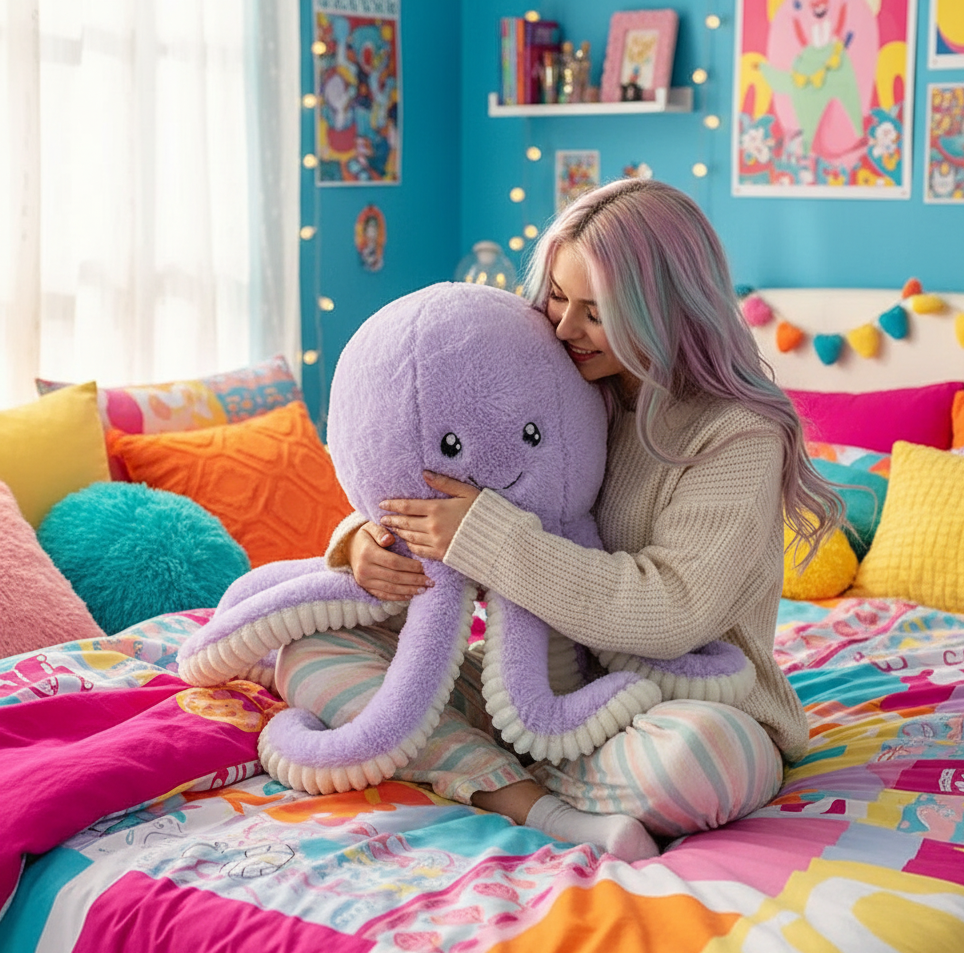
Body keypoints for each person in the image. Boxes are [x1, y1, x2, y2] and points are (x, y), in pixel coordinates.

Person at [281, 178, 843, 862]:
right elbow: (448, 475)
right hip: (532, 686)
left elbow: (672, 612)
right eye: (556, 296)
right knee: (308, 649)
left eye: (597, 312)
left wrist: (483, 535)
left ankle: (470, 762)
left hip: (677, 702)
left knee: (703, 760)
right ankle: (527, 800)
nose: (565, 328)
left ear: (665, 312)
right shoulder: (569, 378)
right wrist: (362, 541)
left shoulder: (736, 436)